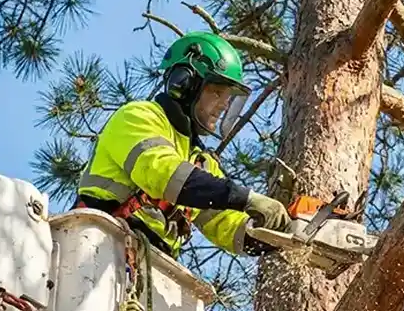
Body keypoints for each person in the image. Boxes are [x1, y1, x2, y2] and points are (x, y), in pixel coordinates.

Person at [74, 30, 291, 259]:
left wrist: (272, 234)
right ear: (184, 83)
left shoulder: (200, 161)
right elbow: (163, 173)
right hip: (96, 248)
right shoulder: (137, 116)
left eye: (228, 98)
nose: (223, 106)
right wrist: (246, 197)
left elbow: (226, 224)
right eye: (217, 93)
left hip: (153, 267)